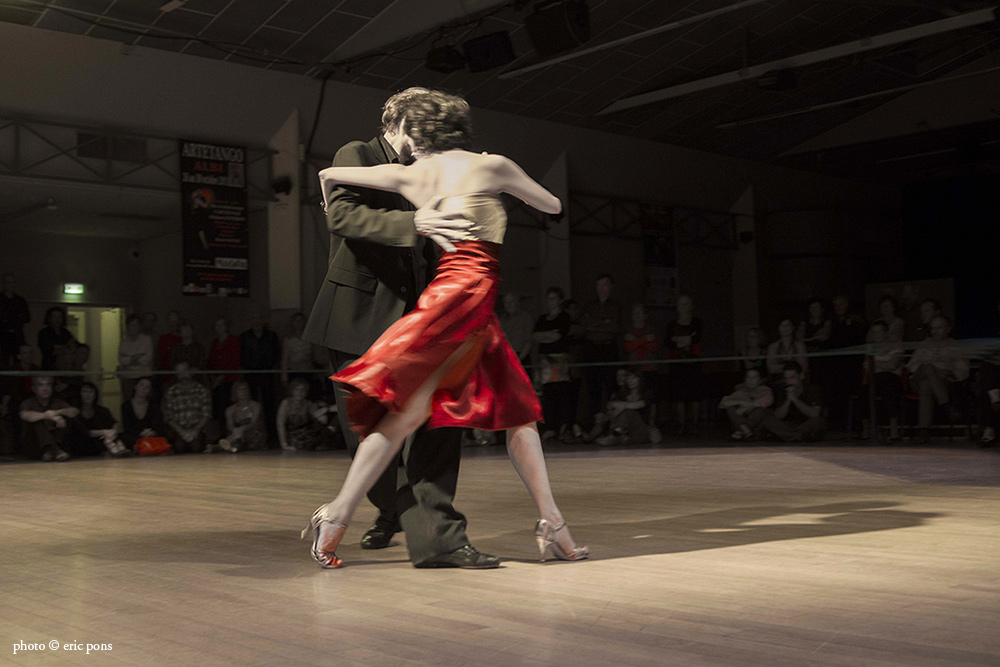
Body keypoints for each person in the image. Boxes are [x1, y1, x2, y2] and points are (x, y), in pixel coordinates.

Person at [303, 88, 586, 569]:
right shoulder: (473, 164)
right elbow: (553, 206)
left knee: (464, 418)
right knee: (408, 421)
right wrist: (424, 217)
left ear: (421, 129)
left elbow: (326, 181)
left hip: (453, 305)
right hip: (422, 307)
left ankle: (446, 534)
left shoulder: (411, 173)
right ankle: (342, 515)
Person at [302, 87, 496, 567]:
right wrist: (416, 224)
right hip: (359, 317)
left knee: (436, 426)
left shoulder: (438, 166)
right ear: (403, 123)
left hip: (423, 318)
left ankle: (440, 540)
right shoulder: (359, 154)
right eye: (429, 126)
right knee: (369, 433)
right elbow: (341, 214)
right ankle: (388, 511)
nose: (439, 136)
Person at [906, 315, 969, 443]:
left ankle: (924, 431)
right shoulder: (924, 344)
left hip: (943, 382)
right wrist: (933, 370)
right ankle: (946, 406)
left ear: (948, 329)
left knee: (926, 385)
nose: (935, 331)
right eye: (933, 328)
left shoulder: (955, 345)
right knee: (928, 368)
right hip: (919, 378)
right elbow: (911, 365)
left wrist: (948, 373)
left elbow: (963, 368)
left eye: (939, 328)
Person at [532, 286, 575, 442]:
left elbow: (558, 336)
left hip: (559, 360)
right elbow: (536, 336)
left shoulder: (564, 317)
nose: (550, 302)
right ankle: (550, 428)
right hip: (545, 362)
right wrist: (548, 335)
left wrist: (548, 335)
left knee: (562, 393)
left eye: (553, 298)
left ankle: (564, 427)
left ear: (559, 300)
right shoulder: (542, 319)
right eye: (548, 298)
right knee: (548, 395)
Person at [581, 273, 622, 424]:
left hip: (609, 348)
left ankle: (614, 424)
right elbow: (586, 326)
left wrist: (596, 325)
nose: (602, 288)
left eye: (605, 285)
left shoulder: (615, 306)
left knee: (612, 387)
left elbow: (614, 327)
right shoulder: (590, 306)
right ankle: (594, 424)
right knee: (593, 389)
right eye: (599, 285)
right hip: (592, 349)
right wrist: (603, 323)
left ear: (611, 287)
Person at [759, 361, 826, 442]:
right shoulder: (783, 391)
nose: (789, 382)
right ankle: (796, 437)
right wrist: (788, 400)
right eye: (786, 378)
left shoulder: (812, 390)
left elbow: (814, 414)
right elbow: (778, 416)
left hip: (806, 424)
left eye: (792, 378)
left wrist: (794, 399)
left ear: (801, 376)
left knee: (818, 422)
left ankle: (789, 436)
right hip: (789, 425)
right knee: (768, 420)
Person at [666, 294, 704, 435]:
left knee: (694, 396)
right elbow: (668, 343)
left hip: (693, 363)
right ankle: (681, 425)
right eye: (681, 304)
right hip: (677, 364)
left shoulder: (697, 322)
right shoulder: (671, 324)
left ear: (691, 306)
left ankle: (694, 425)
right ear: (677, 307)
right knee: (679, 396)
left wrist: (679, 340)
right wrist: (688, 339)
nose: (684, 307)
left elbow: (696, 338)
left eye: (687, 304)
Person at [163, 361, 220, 454]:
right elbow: (168, 417)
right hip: (179, 429)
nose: (183, 375)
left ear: (191, 372)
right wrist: (182, 432)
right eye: (179, 372)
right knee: (179, 446)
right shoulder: (171, 392)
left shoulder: (201, 390)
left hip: (198, 429)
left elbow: (207, 414)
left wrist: (196, 430)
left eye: (185, 371)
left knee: (197, 446)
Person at [860, 319, 904, 441]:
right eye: (874, 332)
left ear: (886, 332)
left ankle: (893, 429)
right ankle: (867, 428)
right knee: (864, 391)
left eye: (879, 332)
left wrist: (876, 363)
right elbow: (867, 367)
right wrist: (883, 362)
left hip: (892, 378)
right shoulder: (870, 348)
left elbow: (894, 365)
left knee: (888, 387)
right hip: (875, 379)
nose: (876, 335)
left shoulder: (896, 344)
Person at [19, 375, 79, 461]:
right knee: (36, 421)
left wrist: (57, 413)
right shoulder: (28, 403)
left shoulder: (58, 402)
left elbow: (74, 411)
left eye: (48, 385)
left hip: (58, 441)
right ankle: (54, 450)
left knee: (64, 418)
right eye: (40, 385)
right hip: (36, 447)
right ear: (34, 389)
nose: (45, 388)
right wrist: (47, 415)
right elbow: (25, 415)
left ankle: (51, 451)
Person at [240, 312, 280, 437]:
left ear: (263, 322)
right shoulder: (244, 336)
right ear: (250, 321)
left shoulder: (271, 336)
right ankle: (252, 433)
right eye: (254, 319)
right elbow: (241, 356)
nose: (256, 322)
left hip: (267, 374)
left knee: (269, 404)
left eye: (259, 319)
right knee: (251, 403)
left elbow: (276, 354)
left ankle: (271, 435)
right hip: (250, 374)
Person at [594, 369, 653, 446]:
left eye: (634, 378)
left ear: (640, 379)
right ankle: (616, 436)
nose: (630, 381)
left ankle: (615, 436)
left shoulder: (646, 393)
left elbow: (640, 404)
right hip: (626, 431)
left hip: (640, 430)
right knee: (613, 413)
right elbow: (610, 404)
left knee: (628, 411)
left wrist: (623, 406)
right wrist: (606, 415)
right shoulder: (622, 394)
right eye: (628, 378)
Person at [70, 381, 127, 457]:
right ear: (79, 394)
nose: (88, 395)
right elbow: (85, 432)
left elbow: (114, 423)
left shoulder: (103, 410)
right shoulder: (75, 411)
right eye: (85, 391)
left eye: (91, 392)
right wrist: (104, 432)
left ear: (95, 394)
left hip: (104, 440)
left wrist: (113, 431)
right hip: (82, 443)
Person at [277, 377, 334, 451]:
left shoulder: (308, 404)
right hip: (292, 437)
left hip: (307, 435)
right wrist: (284, 445)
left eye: (303, 390)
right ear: (292, 390)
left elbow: (319, 417)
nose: (300, 392)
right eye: (297, 389)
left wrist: (324, 412)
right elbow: (280, 425)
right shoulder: (286, 403)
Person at [719, 367, 773, 441]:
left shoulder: (765, 390)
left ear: (760, 380)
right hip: (743, 422)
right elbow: (723, 403)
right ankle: (745, 430)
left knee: (761, 410)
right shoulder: (740, 392)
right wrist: (741, 402)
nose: (751, 380)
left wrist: (748, 406)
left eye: (754, 378)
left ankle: (741, 430)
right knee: (730, 408)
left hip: (757, 426)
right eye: (748, 377)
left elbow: (768, 401)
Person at [206, 318, 241, 422]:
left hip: (229, 380)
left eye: (221, 325)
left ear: (227, 327)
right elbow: (211, 361)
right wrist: (211, 376)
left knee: (228, 408)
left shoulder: (234, 340)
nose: (219, 328)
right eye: (217, 325)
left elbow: (235, 361)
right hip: (216, 381)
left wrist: (221, 377)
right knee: (217, 410)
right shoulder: (214, 343)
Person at [220, 379, 266, 453]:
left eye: (245, 389)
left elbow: (254, 423)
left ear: (248, 391)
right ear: (235, 392)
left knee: (241, 435)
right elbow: (230, 426)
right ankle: (232, 446)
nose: (243, 392)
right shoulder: (230, 410)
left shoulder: (256, 406)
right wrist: (236, 431)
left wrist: (242, 429)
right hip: (237, 435)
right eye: (239, 390)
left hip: (254, 435)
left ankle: (224, 445)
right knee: (237, 437)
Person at [121, 376, 165, 450]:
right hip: (134, 435)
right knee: (125, 437)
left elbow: (158, 424)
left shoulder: (153, 405)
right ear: (135, 386)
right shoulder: (126, 405)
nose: (144, 388)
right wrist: (141, 433)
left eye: (147, 387)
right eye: (142, 385)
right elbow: (127, 427)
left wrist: (151, 433)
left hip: (151, 435)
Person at [118, 313, 154, 400]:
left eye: (136, 324)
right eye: (132, 324)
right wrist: (137, 357)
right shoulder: (124, 342)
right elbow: (121, 360)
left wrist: (130, 359)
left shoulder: (146, 340)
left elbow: (148, 358)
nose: (134, 327)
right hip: (128, 378)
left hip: (144, 376)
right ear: (128, 326)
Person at [0, 272, 30, 369]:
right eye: (8, 282)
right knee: (2, 360)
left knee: (20, 360)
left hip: (17, 335)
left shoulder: (20, 301)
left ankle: (19, 381)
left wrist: (9, 320)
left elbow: (27, 317)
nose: (10, 285)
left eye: (12, 282)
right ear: (4, 283)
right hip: (2, 335)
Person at [499, 292, 533, 367]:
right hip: (506, 357)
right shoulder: (502, 319)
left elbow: (528, 341)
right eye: (506, 302)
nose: (509, 305)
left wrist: (518, 359)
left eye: (511, 301)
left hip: (522, 357)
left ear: (516, 302)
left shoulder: (525, 317)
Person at [37, 306, 76, 371]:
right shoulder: (44, 333)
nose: (57, 319)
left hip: (65, 368)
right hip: (49, 367)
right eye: (54, 316)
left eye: (60, 316)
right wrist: (65, 347)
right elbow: (48, 350)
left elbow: (73, 346)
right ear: (49, 318)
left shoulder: (65, 332)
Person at [156, 310, 183, 384]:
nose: (173, 323)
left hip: (183, 377)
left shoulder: (185, 339)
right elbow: (161, 358)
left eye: (175, 320)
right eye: (171, 320)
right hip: (167, 377)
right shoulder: (163, 339)